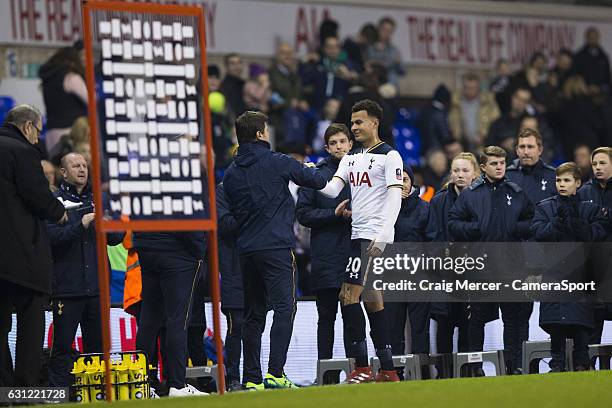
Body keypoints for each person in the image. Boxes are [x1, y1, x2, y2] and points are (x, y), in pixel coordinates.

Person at [222, 111, 327, 390]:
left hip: (246, 251)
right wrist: (322, 166)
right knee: (284, 308)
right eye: (266, 130)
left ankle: (252, 378)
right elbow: (316, 181)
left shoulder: (231, 173)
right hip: (277, 247)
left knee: (254, 314)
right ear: (259, 134)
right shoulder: (277, 161)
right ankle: (275, 373)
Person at [319, 99, 404, 383]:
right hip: (356, 235)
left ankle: (363, 368)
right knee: (372, 299)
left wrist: (383, 236)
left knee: (347, 295)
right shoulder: (350, 157)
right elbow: (332, 190)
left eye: (358, 122)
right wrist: (303, 173)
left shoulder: (390, 156)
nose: (354, 127)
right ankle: (389, 370)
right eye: (352, 122)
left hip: (372, 237)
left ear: (374, 123)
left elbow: (395, 198)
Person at [448, 146, 534, 376]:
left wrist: (516, 228)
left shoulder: (516, 192)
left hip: (510, 266)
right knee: (476, 320)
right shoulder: (470, 195)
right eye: (494, 163)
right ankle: (476, 367)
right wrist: (476, 229)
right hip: (481, 268)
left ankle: (513, 365)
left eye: (502, 163)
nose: (499, 167)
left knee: (512, 319)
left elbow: (532, 220)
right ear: (483, 167)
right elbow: (453, 223)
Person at [0, 104, 67, 386]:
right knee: (30, 323)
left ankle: (3, 389)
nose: (38, 139)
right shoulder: (22, 151)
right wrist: (60, 213)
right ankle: (25, 391)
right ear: (27, 127)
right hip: (22, 258)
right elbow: (38, 195)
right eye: (38, 132)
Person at [46, 153, 124, 387]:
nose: (82, 169)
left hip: (98, 287)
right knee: (61, 347)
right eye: (75, 165)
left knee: (98, 349)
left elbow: (118, 237)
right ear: (63, 172)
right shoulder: (54, 201)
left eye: (84, 165)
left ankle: (97, 394)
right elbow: (52, 238)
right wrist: (81, 225)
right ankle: (57, 397)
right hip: (66, 289)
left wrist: (109, 225)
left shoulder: (100, 198)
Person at [531, 162, 608, 371]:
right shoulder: (544, 207)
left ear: (578, 183)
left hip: (582, 276)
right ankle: (557, 366)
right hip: (554, 275)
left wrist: (577, 223)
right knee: (556, 326)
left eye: (566, 180)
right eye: (558, 180)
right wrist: (557, 222)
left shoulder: (591, 210)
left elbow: (596, 236)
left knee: (582, 327)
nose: (561, 185)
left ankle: (582, 365)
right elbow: (539, 234)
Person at [295, 124, 353, 384]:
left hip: (355, 253)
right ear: (327, 147)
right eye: (334, 142)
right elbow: (303, 214)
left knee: (353, 317)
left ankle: (358, 371)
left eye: (343, 141)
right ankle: (326, 375)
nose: (339, 146)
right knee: (326, 317)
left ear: (350, 143)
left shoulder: (364, 172)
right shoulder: (316, 176)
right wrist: (334, 214)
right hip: (326, 256)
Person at [134, 229, 208, 396]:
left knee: (149, 321)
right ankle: (177, 385)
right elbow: (189, 219)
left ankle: (141, 385)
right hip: (177, 252)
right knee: (178, 320)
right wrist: (199, 252)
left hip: (146, 248)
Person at [429, 152, 480, 375]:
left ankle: (469, 370)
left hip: (472, 271)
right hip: (445, 273)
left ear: (475, 173)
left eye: (465, 170)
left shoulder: (481, 199)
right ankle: (444, 371)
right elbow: (432, 235)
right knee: (445, 323)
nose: (460, 175)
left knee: (470, 324)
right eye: (456, 170)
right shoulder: (439, 200)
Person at [385, 164, 434, 372]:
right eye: (397, 181)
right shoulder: (383, 209)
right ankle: (395, 373)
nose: (401, 185)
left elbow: (432, 243)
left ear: (411, 182)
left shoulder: (424, 208)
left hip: (418, 277)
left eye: (404, 180)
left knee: (420, 329)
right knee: (393, 329)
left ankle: (422, 372)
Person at [578, 147, 612, 346]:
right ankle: (587, 367)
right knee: (591, 324)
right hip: (592, 269)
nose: (597, 167)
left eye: (602, 163)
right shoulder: (583, 192)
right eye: (594, 164)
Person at [216, 182, 244, 391]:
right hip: (233, 269)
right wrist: (252, 212)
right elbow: (225, 225)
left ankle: (254, 376)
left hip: (256, 266)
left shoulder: (259, 186)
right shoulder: (224, 189)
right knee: (236, 325)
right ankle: (232, 377)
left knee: (255, 326)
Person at [39, 46, 88, 153]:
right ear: (72, 61)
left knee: (57, 168)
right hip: (69, 132)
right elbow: (92, 100)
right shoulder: (70, 77)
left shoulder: (47, 80)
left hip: (51, 133)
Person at [449, 72, 500, 151]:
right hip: (461, 144)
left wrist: (484, 135)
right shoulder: (456, 102)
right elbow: (451, 122)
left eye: (473, 88)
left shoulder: (488, 103)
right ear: (463, 88)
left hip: (484, 145)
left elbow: (497, 123)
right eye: (467, 88)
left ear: (478, 88)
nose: (470, 91)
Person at [506, 128, 557, 205]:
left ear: (540, 150)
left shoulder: (553, 176)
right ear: (517, 150)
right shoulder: (507, 176)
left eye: (530, 147)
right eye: (522, 147)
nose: (526, 152)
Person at [486, 87, 532, 153]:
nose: (520, 102)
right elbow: (489, 147)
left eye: (524, 101)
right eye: (518, 98)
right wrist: (502, 146)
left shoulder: (532, 122)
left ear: (527, 104)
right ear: (512, 98)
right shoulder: (498, 123)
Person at [366, 17, 404, 87]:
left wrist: (398, 64)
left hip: (389, 85)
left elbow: (403, 72)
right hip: (371, 83)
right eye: (384, 29)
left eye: (389, 31)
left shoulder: (394, 50)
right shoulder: (368, 46)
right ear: (378, 29)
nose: (386, 33)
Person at [574, 27, 611, 95]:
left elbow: (607, 78)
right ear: (587, 38)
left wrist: (601, 88)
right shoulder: (579, 56)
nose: (593, 39)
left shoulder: (604, 56)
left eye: (595, 37)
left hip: (601, 94)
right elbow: (575, 74)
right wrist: (587, 87)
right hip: (583, 93)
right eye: (591, 37)